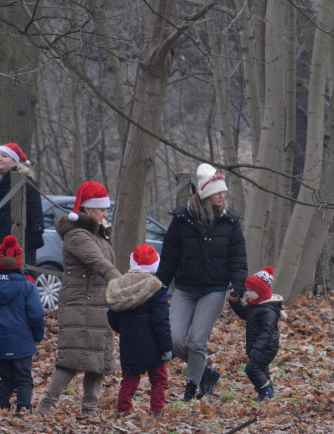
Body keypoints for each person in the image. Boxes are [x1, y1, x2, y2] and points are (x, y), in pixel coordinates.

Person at [157, 164, 247, 403]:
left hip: (214, 290)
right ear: (205, 193)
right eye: (218, 192)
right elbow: (169, 258)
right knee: (174, 340)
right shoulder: (181, 220)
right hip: (184, 289)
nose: (222, 196)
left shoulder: (230, 222)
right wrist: (159, 286)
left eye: (224, 192)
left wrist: (238, 287)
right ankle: (206, 372)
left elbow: (238, 259)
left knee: (197, 341)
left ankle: (191, 389)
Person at [37, 182, 121, 416]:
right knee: (71, 360)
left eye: (106, 209)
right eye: (101, 209)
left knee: (98, 361)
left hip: (98, 306)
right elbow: (99, 263)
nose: (106, 213)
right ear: (87, 209)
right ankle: (44, 408)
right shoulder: (77, 235)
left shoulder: (99, 235)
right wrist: (124, 284)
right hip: (81, 306)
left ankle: (90, 410)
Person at [106, 245, 172, 416]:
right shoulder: (156, 289)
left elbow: (112, 316)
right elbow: (161, 321)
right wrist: (166, 347)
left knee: (129, 379)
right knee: (158, 379)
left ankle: (123, 410)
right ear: (154, 266)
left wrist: (125, 331)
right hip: (154, 344)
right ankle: (156, 411)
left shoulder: (120, 287)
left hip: (129, 342)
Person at [0, 235, 44, 411]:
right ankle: (24, 410)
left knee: (6, 379)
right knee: (25, 379)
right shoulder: (27, 287)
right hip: (22, 341)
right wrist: (37, 336)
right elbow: (37, 314)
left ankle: (2, 408)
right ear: (19, 263)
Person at [229, 266, 282, 401]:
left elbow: (267, 331)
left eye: (251, 291)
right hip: (256, 346)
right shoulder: (255, 307)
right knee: (261, 369)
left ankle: (265, 390)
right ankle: (268, 394)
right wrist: (235, 303)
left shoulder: (268, 311)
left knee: (252, 368)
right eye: (246, 290)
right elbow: (243, 313)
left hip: (266, 347)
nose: (247, 293)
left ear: (261, 292)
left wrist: (258, 348)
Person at [0, 143, 44, 268]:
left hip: (17, 250)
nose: (0, 159)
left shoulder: (26, 184)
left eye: (4, 156)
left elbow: (36, 218)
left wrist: (22, 247)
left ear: (15, 161)